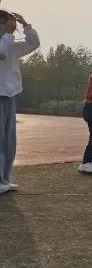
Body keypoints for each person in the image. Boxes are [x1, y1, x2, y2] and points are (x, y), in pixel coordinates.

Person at [0, 11, 40, 194]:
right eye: (10, 20)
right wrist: (7, 32)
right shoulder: (6, 42)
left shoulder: (12, 45)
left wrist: (26, 25)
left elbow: (33, 43)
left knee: (9, 140)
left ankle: (5, 178)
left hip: (10, 95)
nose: (14, 23)